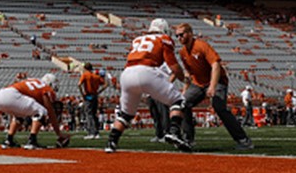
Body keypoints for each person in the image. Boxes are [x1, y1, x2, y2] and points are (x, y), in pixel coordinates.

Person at [105, 18, 190, 154]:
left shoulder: (137, 40)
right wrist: (184, 79)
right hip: (147, 72)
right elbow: (173, 65)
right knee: (178, 101)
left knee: (126, 114)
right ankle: (174, 132)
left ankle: (111, 142)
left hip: (127, 74)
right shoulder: (163, 39)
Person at [173, 22, 253, 150]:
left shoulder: (201, 46)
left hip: (217, 81)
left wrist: (212, 86)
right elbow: (189, 73)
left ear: (190, 33)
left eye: (181, 35)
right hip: (198, 83)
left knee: (219, 107)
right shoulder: (182, 52)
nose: (179, 38)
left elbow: (215, 64)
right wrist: (185, 90)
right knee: (183, 103)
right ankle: (188, 139)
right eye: (176, 36)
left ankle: (243, 140)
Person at [0, 73, 69, 150]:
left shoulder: (34, 81)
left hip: (0, 95)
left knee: (19, 115)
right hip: (12, 95)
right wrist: (58, 133)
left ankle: (9, 140)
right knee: (42, 111)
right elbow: (49, 110)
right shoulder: (46, 88)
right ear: (50, 83)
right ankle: (32, 141)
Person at [77, 62, 106, 140]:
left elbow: (79, 84)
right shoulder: (96, 76)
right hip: (95, 96)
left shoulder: (85, 75)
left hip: (88, 96)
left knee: (88, 114)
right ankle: (96, 132)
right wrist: (99, 92)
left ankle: (91, 132)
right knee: (94, 114)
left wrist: (82, 94)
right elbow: (105, 84)